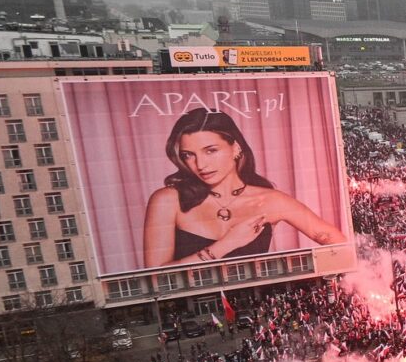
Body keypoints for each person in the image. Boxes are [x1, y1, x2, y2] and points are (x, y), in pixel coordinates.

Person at [141, 108, 345, 269]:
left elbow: (336, 242)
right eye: (188, 155)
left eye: (211, 151)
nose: (200, 164)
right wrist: (226, 245)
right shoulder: (167, 200)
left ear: (236, 147)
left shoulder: (270, 200)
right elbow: (156, 279)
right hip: (189, 313)